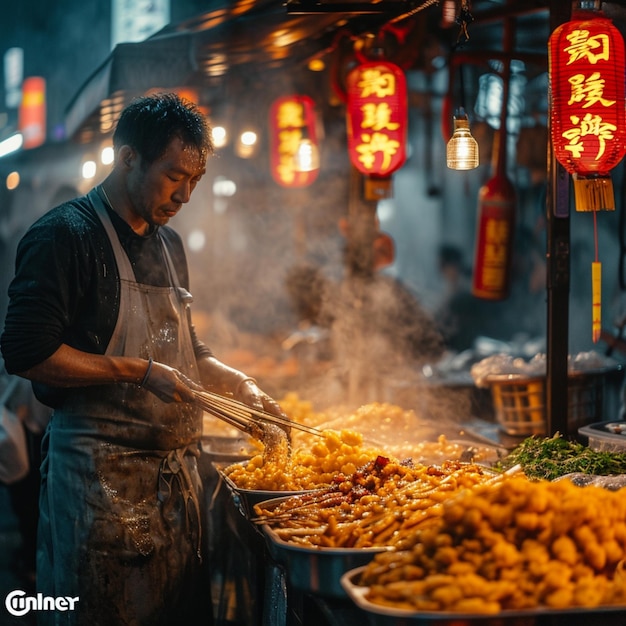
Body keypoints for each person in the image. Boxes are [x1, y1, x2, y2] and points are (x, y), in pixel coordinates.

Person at [1, 93, 289, 626]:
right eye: (173, 176)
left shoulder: (169, 244)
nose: (184, 195)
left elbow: (188, 349)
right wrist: (138, 372)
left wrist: (241, 385)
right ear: (128, 157)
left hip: (175, 489)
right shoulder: (64, 235)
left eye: (194, 182)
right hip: (97, 485)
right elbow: (26, 353)